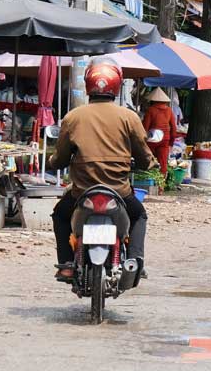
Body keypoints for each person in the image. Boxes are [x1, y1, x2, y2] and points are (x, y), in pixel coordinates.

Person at [49, 58, 155, 282]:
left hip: (82, 192)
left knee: (60, 215)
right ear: (116, 85)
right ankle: (135, 260)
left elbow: (59, 158)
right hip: (119, 191)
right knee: (139, 215)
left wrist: (54, 162)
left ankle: (67, 264)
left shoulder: (73, 117)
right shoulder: (129, 117)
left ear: (88, 84)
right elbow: (144, 155)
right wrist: (149, 164)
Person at [142, 87, 177, 169]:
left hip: (152, 139)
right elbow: (174, 128)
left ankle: (150, 177)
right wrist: (171, 142)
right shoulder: (169, 110)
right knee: (163, 163)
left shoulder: (151, 110)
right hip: (165, 139)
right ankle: (162, 179)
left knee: (149, 161)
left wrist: (142, 141)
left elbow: (145, 128)